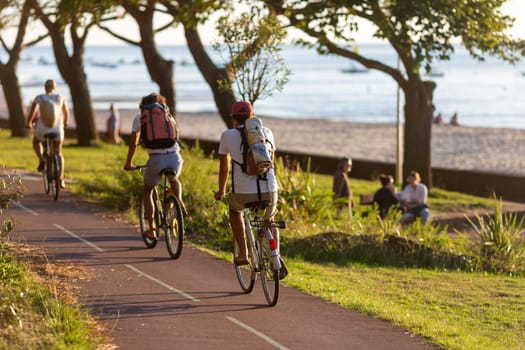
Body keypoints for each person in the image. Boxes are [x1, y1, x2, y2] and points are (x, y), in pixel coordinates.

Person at [213, 101, 287, 279]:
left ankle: (243, 253)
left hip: (244, 193)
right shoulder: (266, 132)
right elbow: (271, 164)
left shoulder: (227, 135)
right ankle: (275, 255)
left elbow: (224, 168)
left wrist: (221, 191)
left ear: (233, 118)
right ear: (252, 116)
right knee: (269, 219)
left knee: (234, 210)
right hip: (270, 189)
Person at [124, 92, 185, 240]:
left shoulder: (140, 118)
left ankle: (151, 228)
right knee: (173, 179)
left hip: (156, 159)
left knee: (147, 191)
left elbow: (133, 143)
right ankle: (179, 201)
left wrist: (129, 163)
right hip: (175, 157)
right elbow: (175, 135)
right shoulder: (167, 115)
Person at [26, 79, 70, 189]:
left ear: (45, 88)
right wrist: (65, 123)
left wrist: (29, 123)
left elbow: (32, 113)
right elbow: (66, 114)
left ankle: (42, 158)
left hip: (42, 129)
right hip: (57, 129)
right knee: (59, 152)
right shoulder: (60, 97)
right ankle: (61, 178)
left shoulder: (39, 97)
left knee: (36, 142)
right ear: (55, 88)